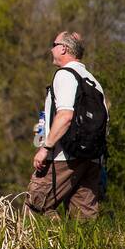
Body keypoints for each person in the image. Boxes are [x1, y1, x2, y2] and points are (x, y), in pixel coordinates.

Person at [26, 31, 109, 220]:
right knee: (84, 221)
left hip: (64, 157)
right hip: (92, 159)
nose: (51, 48)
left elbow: (65, 116)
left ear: (63, 48)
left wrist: (45, 148)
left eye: (54, 44)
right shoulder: (93, 81)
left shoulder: (64, 75)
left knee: (35, 210)